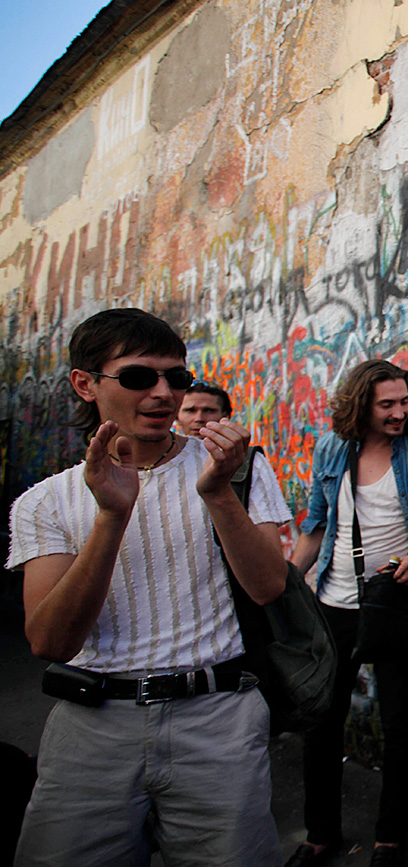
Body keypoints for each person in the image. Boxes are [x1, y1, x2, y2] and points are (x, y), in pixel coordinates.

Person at [7, 307, 291, 865]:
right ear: (85, 384)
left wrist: (217, 494)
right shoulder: (46, 501)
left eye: (176, 378)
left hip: (217, 721)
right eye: (139, 377)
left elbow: (267, 587)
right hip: (92, 728)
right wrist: (111, 517)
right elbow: (49, 642)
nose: (163, 393)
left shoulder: (235, 470)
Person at [287, 360, 408, 867]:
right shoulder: (333, 449)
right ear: (362, 405)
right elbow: (315, 524)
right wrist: (288, 589)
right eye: (388, 405)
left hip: (397, 605)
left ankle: (390, 837)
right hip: (335, 603)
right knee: (322, 720)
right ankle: (320, 832)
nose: (401, 412)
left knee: (399, 724)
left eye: (406, 402)